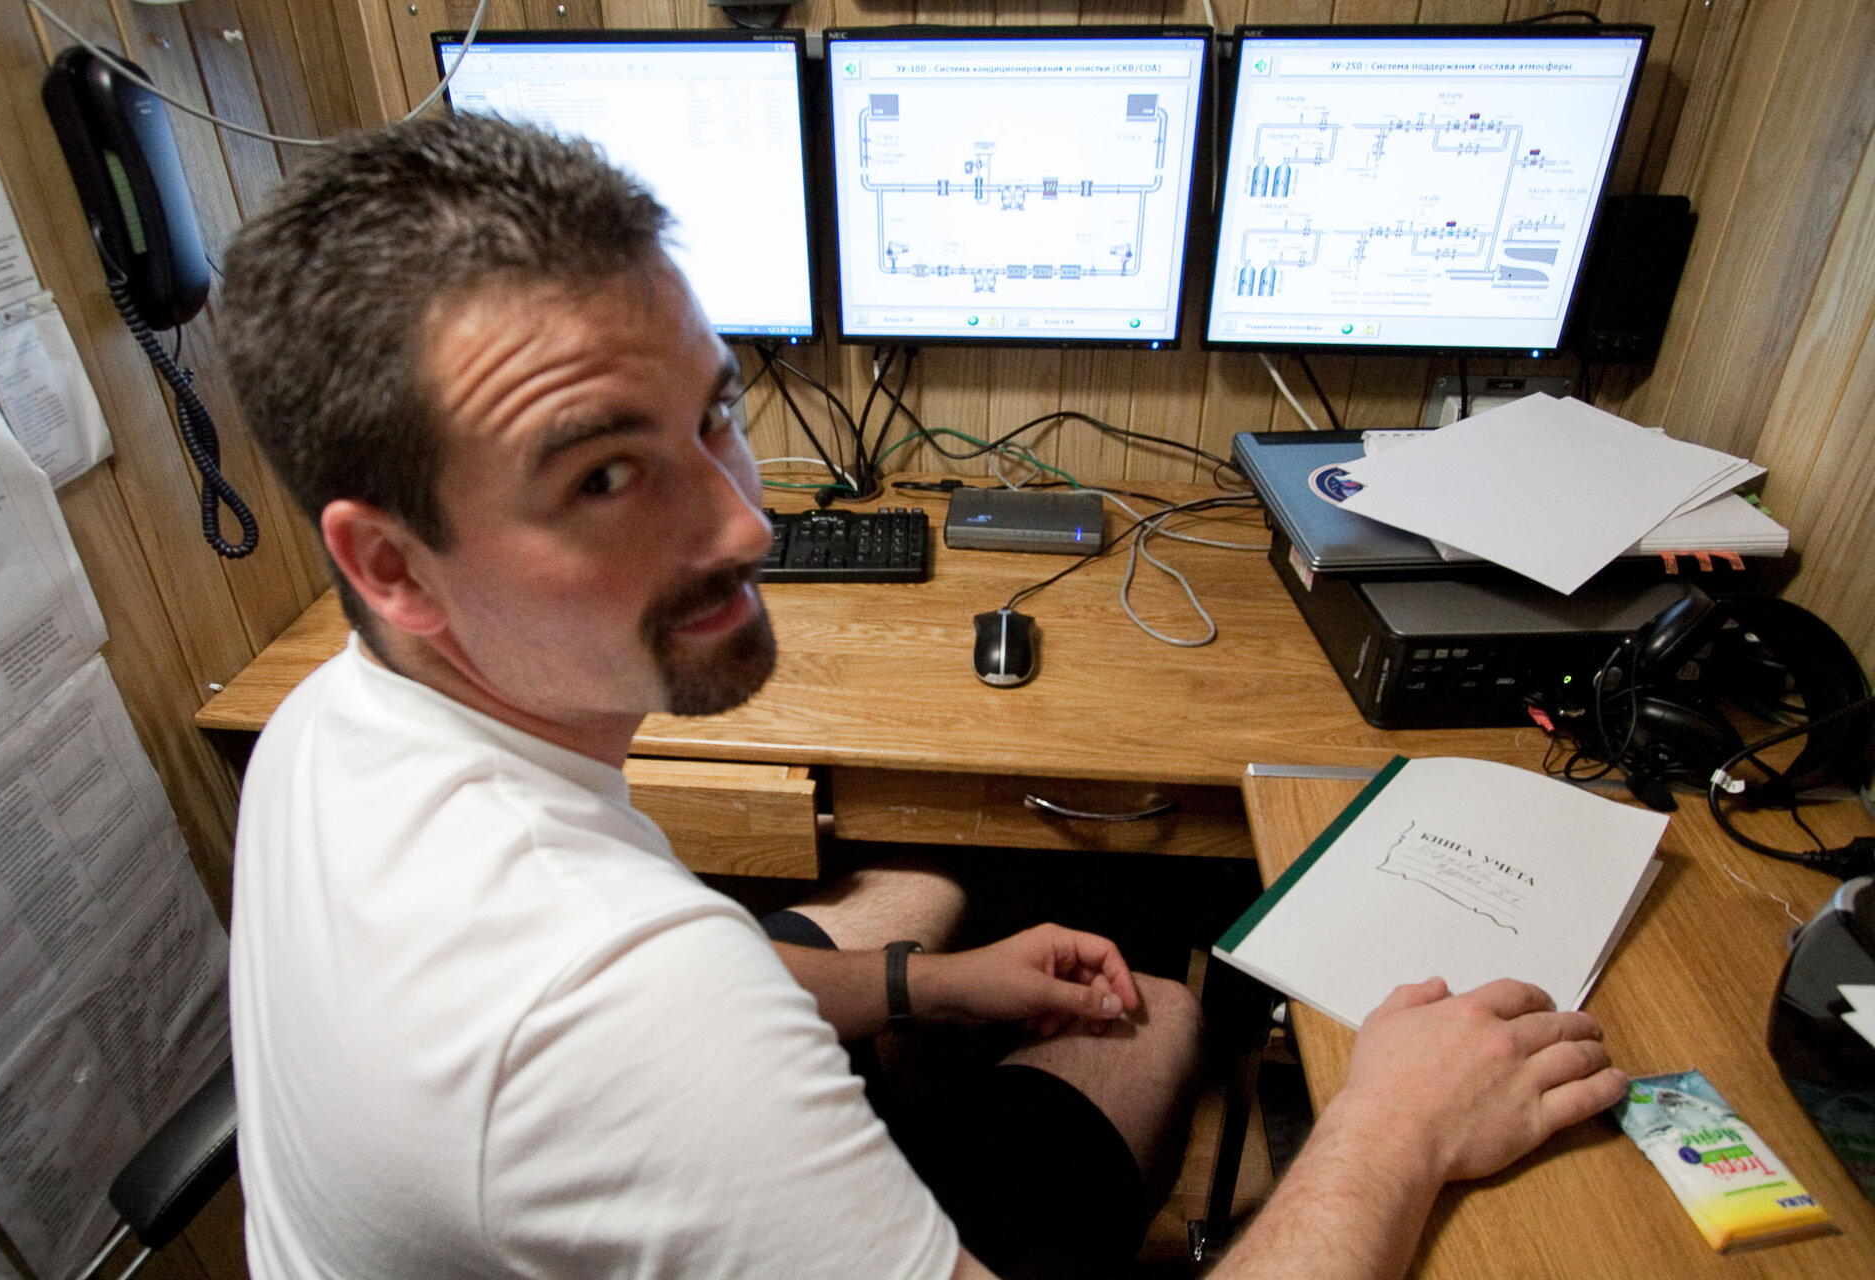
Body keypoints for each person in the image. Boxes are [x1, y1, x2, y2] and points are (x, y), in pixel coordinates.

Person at [219, 113, 1628, 1280]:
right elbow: (644, 1018)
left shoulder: (328, 725)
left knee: (915, 893)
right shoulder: (634, 1014)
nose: (742, 527)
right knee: (1161, 1014)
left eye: (715, 414)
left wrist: (925, 987)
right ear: (393, 563)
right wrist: (1392, 1125)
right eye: (601, 476)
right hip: (648, 1096)